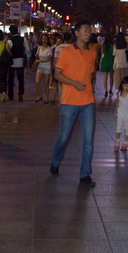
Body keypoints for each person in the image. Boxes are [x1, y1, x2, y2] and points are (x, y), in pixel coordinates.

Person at [50, 20, 98, 186]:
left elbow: (91, 75)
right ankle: (55, 162)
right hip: (69, 102)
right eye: (85, 30)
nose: (88, 33)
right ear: (76, 33)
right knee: (63, 137)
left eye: (89, 30)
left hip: (88, 102)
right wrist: (73, 82)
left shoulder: (92, 53)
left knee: (88, 140)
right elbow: (57, 75)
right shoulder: (66, 52)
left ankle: (85, 174)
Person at [7, 26, 27, 102]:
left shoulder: (10, 41)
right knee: (20, 79)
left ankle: (11, 95)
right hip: (21, 61)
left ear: (11, 32)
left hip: (12, 62)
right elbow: (27, 49)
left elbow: (8, 51)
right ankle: (20, 94)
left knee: (11, 80)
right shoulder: (23, 39)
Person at [114, 76, 128, 151]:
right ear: (122, 85)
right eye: (125, 85)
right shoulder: (119, 93)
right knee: (119, 127)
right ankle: (117, 141)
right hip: (121, 112)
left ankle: (125, 142)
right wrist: (116, 110)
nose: (126, 87)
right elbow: (118, 102)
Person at [34, 34, 53, 104]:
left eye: (45, 39)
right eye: (43, 39)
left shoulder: (49, 49)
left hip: (47, 67)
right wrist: (36, 55)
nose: (44, 40)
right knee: (37, 82)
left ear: (47, 40)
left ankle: (47, 97)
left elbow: (48, 59)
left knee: (46, 83)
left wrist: (39, 61)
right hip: (40, 67)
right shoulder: (39, 47)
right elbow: (37, 55)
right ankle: (40, 96)